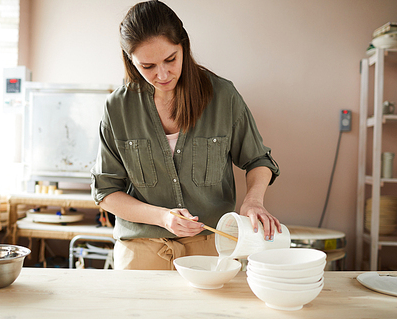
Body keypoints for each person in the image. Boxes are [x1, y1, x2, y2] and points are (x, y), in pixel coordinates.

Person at [91, 0, 280, 270]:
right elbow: (106, 192)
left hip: (212, 247)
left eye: (171, 59)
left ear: (184, 47)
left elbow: (258, 160)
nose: (163, 74)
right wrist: (162, 217)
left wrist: (253, 201)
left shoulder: (222, 97)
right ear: (130, 61)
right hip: (141, 250)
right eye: (148, 66)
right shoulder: (117, 108)